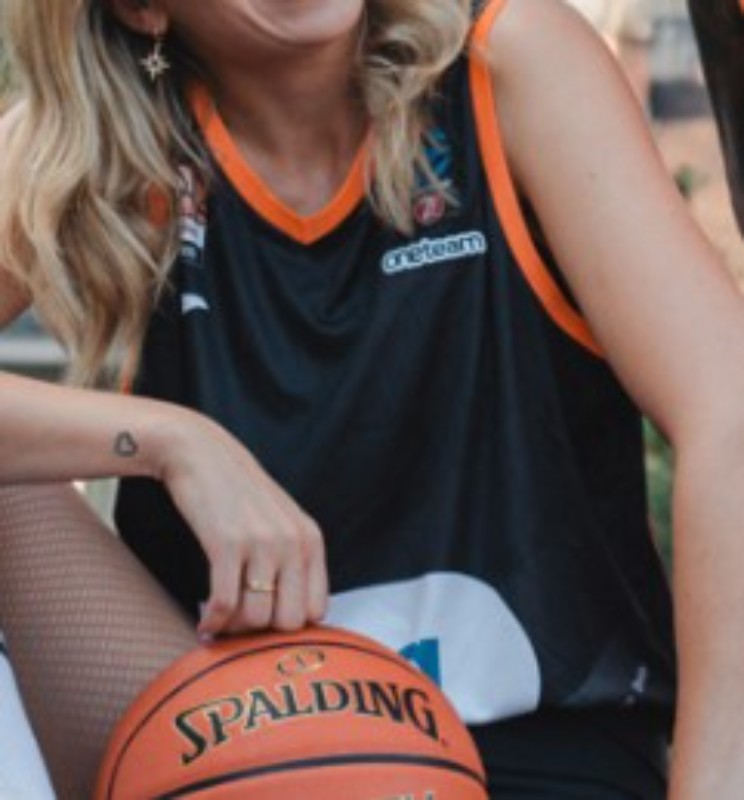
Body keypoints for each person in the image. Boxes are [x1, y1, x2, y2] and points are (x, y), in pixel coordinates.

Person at [3, 0, 744, 797]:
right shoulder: (107, 150)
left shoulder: (504, 63)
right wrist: (168, 441)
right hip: (256, 750)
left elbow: (726, 413)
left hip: (535, 759)